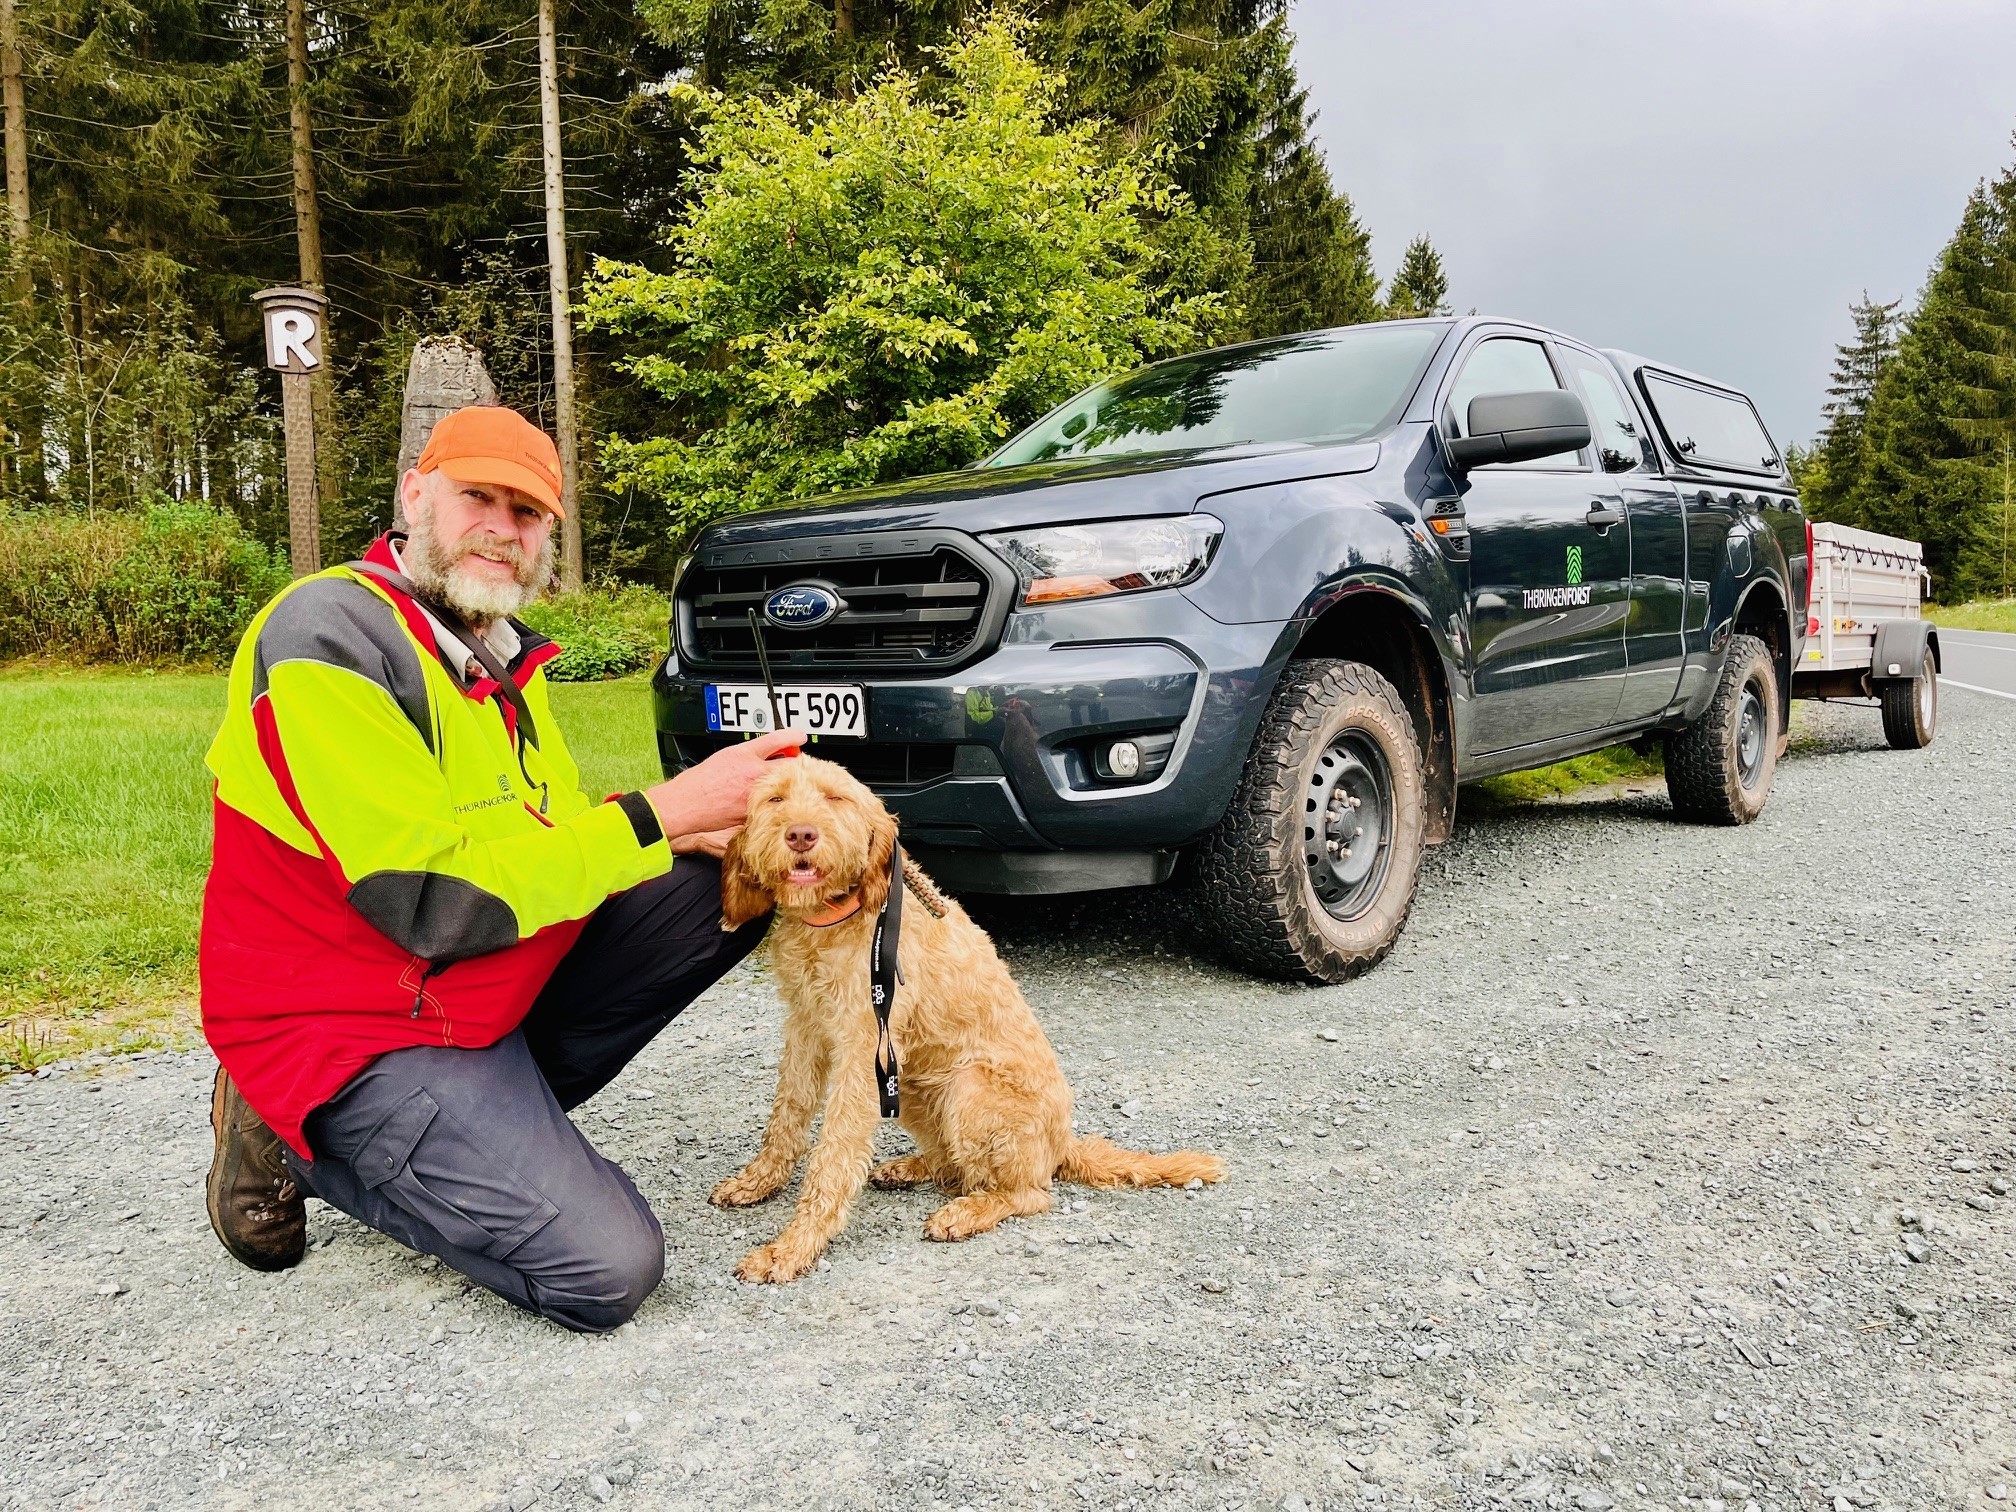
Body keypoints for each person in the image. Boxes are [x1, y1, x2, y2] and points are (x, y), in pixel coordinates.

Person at [200, 405, 802, 1332]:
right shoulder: (328, 635)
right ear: (414, 495)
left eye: (526, 512)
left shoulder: (496, 649)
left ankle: (479, 1127)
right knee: (609, 1272)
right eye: (475, 497)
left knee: (729, 881)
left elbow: (541, 835)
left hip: (468, 988)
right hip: (356, 1022)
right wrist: (662, 813)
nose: (500, 527)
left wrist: (684, 832)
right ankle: (299, 1138)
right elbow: (429, 902)